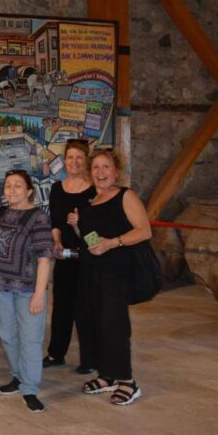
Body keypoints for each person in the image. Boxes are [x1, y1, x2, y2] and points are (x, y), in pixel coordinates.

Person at [74, 149, 152, 406]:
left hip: (117, 272)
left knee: (113, 325)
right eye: (95, 167)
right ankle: (107, 376)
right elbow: (93, 240)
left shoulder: (125, 196)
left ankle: (128, 381)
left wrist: (113, 243)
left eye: (105, 167)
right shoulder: (90, 202)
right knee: (95, 323)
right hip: (93, 271)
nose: (100, 172)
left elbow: (144, 231)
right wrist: (78, 227)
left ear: (116, 171)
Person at [0, 170, 54, 412]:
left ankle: (30, 388)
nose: (11, 190)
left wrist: (39, 293)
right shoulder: (4, 213)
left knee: (30, 339)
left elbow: (45, 258)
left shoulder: (38, 218)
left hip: (27, 290)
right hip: (0, 287)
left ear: (29, 191)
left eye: (17, 186)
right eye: (8, 186)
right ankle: (17, 376)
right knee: (7, 335)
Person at [45, 139, 96, 373]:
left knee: (87, 309)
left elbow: (100, 229)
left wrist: (81, 226)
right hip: (65, 257)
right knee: (61, 307)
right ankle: (56, 353)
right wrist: (56, 241)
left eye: (79, 157)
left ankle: (90, 359)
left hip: (90, 257)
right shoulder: (57, 189)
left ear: (86, 160)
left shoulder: (95, 190)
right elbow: (55, 221)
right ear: (64, 161)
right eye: (70, 157)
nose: (74, 162)